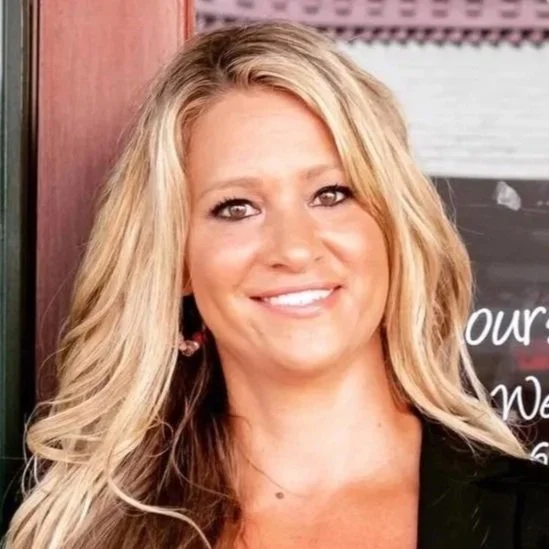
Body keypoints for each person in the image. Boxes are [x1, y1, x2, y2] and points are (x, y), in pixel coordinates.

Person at [4, 21, 549, 549]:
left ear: (391, 229)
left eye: (331, 194)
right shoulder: (86, 535)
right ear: (179, 264)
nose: (293, 248)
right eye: (236, 207)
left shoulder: (534, 520)